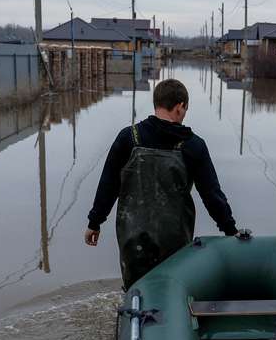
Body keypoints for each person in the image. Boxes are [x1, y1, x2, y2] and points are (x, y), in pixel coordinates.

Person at [85, 78, 238, 287]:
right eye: (185, 109)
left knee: (136, 292)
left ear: (156, 103)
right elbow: (211, 195)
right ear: (180, 106)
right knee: (170, 289)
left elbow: (108, 184)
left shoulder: (128, 137)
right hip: (175, 240)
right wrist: (230, 230)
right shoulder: (194, 145)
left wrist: (95, 222)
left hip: (133, 239)